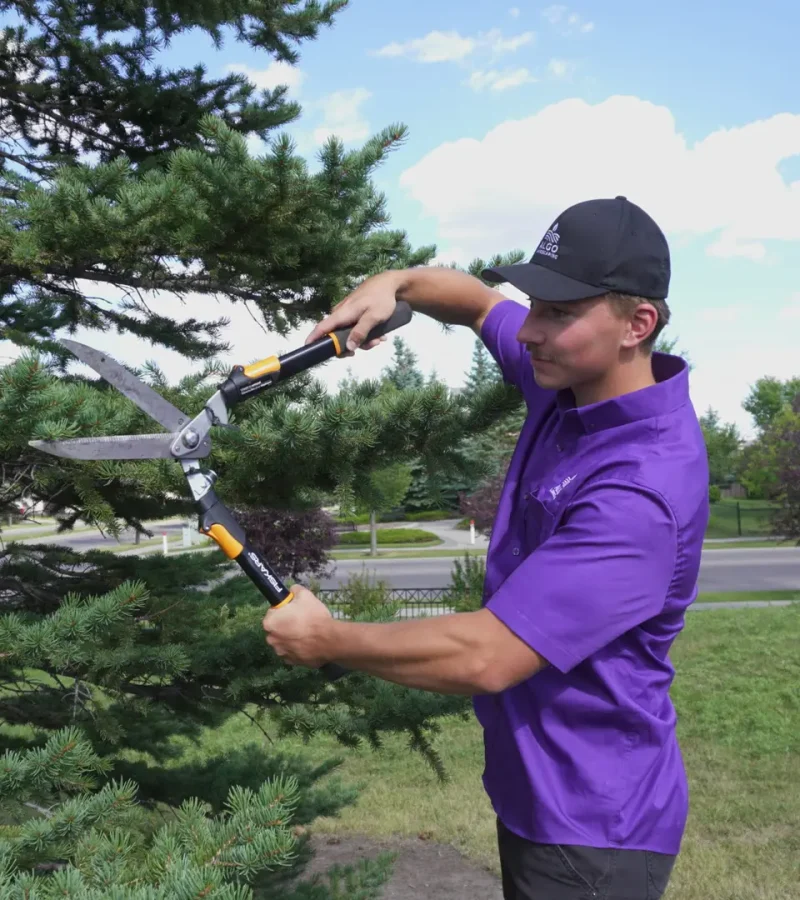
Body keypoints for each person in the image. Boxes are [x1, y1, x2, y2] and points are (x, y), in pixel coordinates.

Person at [262, 195, 710, 899]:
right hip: (544, 796)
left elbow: (487, 654)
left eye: (559, 312)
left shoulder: (640, 491)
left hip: (592, 825)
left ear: (638, 324)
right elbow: (474, 303)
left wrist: (326, 639)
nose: (530, 329)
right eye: (535, 304)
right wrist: (397, 284)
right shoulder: (567, 383)